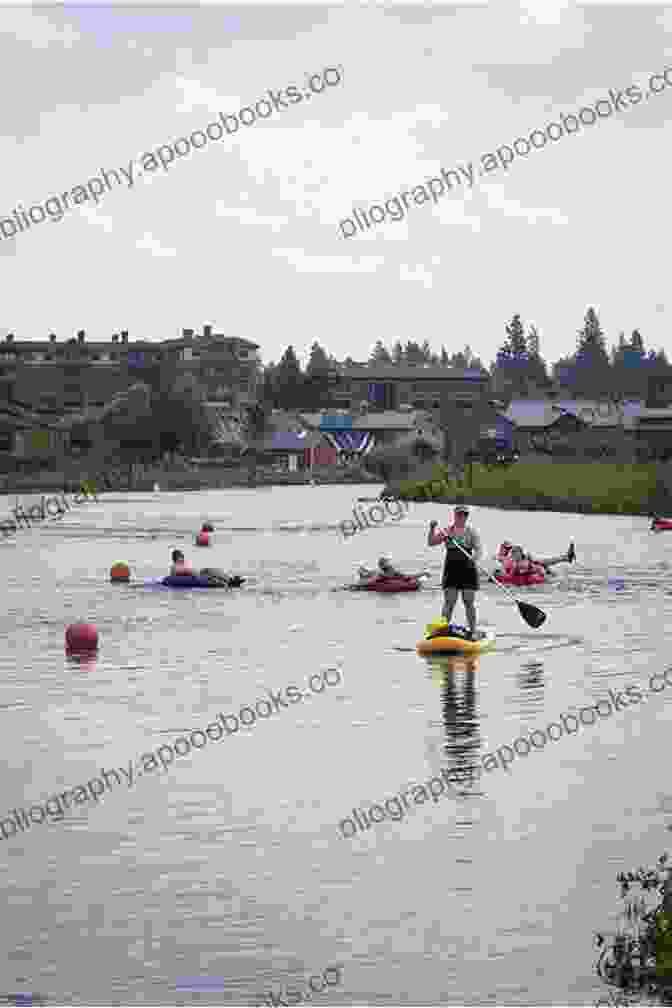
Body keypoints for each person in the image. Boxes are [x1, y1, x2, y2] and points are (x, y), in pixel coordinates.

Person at [427, 505, 483, 640]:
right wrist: (432, 529)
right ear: (454, 515)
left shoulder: (471, 532)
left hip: (467, 568)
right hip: (451, 568)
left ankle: (473, 630)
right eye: (459, 514)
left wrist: (474, 558)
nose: (461, 517)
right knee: (449, 602)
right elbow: (431, 542)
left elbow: (479, 549)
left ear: (467, 517)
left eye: (464, 515)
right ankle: (442, 630)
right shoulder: (447, 531)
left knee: (468, 602)